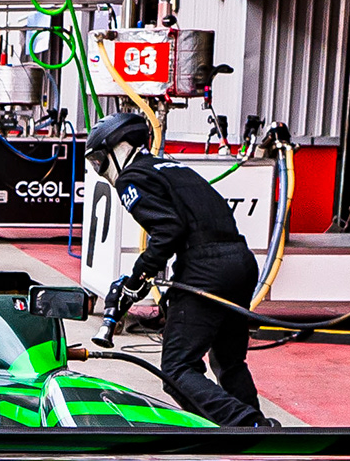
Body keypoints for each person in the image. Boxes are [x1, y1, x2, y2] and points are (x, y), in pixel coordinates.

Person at [94, 105, 268, 425]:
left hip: (206, 269)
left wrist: (135, 280)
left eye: (98, 160)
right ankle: (259, 427)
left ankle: (243, 425)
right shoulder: (174, 167)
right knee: (229, 360)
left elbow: (167, 231)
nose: (99, 168)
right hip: (241, 262)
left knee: (176, 369)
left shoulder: (132, 176)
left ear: (119, 149)